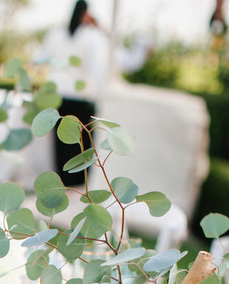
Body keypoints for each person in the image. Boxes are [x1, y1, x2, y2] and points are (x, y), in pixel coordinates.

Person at [36, 1, 149, 186]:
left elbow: (39, 58)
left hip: (58, 97)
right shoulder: (94, 37)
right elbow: (103, 68)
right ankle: (79, 188)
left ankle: (62, 186)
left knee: (61, 146)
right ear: (87, 14)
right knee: (82, 149)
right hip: (82, 99)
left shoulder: (55, 34)